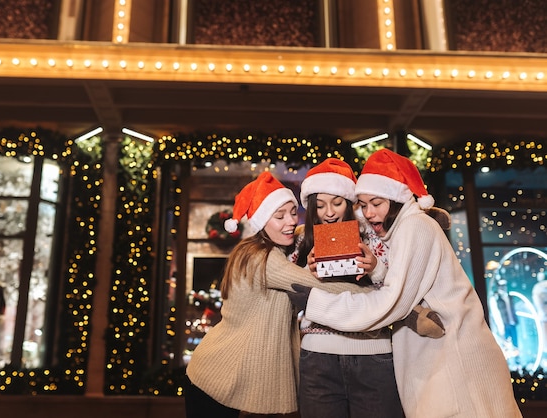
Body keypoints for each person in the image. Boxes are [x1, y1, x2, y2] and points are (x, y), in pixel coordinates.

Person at [288, 149, 522, 418]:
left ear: (396, 198)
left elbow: (391, 304)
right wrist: (373, 272)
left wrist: (317, 303)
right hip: (435, 357)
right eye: (363, 205)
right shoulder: (401, 231)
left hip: (451, 356)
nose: (370, 212)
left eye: (376, 203)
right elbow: (407, 285)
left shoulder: (414, 228)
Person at [184, 171, 370, 418]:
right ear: (262, 222)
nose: (290, 222)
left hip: (219, 370)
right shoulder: (265, 259)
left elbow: (297, 264)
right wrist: (373, 292)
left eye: (293, 213)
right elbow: (320, 286)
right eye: (279, 216)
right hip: (216, 375)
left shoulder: (260, 251)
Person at [291, 158, 444, 418]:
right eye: (319, 206)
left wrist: (375, 267)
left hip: (373, 355)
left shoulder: (375, 234)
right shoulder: (303, 241)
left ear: (350, 204)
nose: (329, 212)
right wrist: (309, 271)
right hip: (319, 356)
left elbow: (400, 292)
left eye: (337, 202)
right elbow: (293, 294)